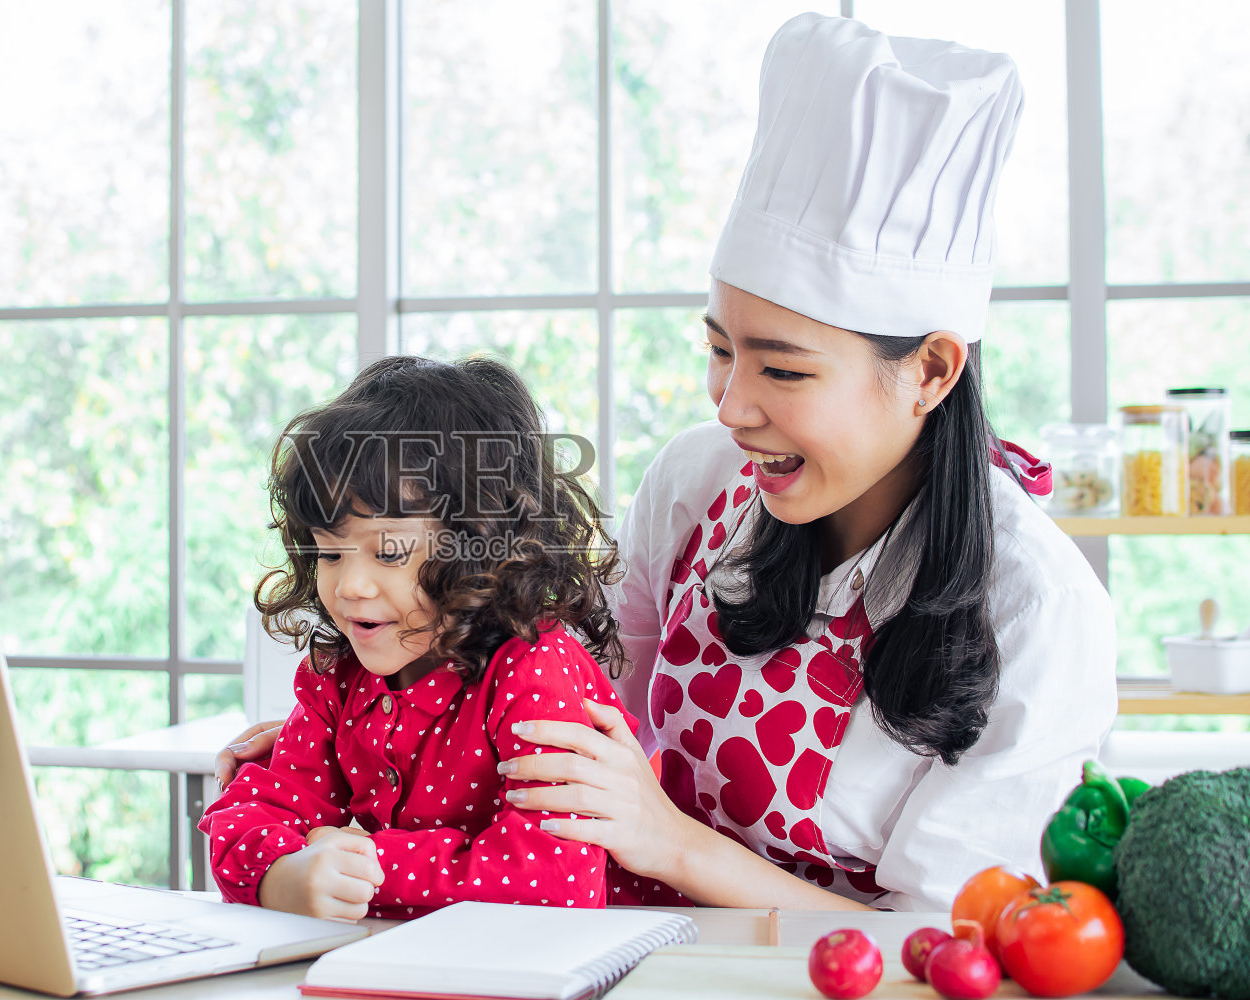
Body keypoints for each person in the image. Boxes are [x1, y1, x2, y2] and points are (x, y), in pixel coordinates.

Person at [218, 12, 1117, 913]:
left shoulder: (1037, 607)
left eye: (784, 368)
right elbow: (547, 699)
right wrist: (353, 738)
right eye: (721, 350)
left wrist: (673, 845)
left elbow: (938, 950)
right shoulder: (699, 485)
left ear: (929, 370)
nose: (730, 406)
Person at [201, 355, 635, 921]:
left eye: (388, 552)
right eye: (330, 552)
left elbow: (551, 879)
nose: (350, 585)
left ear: (482, 545)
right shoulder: (337, 678)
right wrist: (281, 876)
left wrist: (357, 865)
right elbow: (251, 813)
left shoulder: (534, 669)